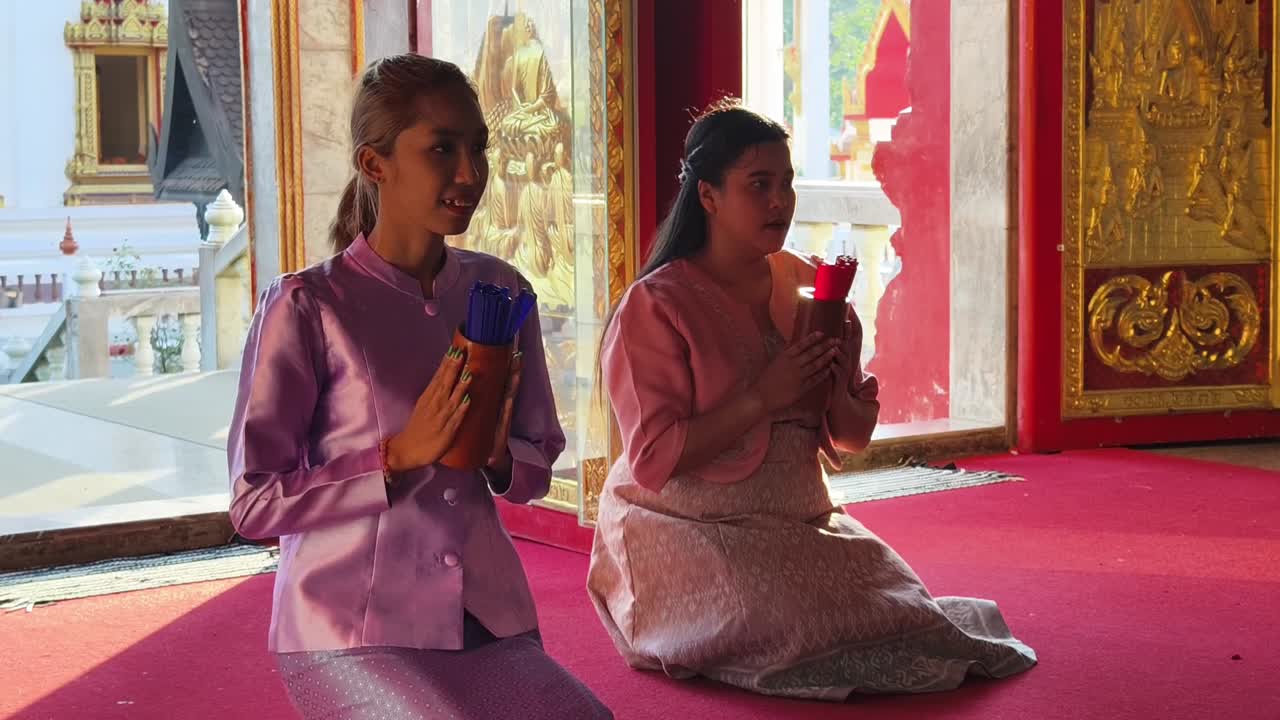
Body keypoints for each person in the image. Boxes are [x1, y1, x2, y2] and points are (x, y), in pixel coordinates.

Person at [586, 100, 1037, 700]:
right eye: (759, 185)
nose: (780, 200)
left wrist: (832, 381)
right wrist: (764, 396)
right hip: (687, 523)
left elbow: (849, 437)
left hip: (798, 518)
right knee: (776, 618)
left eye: (787, 183)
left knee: (900, 610)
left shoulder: (810, 288)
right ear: (709, 196)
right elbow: (653, 460)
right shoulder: (657, 304)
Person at [227, 54, 612, 719]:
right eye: (442, 148)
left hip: (483, 613)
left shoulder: (499, 290)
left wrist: (496, 456)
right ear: (375, 164)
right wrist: (395, 457)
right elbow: (253, 504)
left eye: (477, 148)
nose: (470, 173)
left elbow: (535, 462)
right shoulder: (308, 307)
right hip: (349, 622)